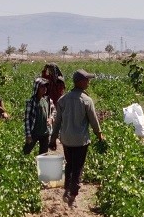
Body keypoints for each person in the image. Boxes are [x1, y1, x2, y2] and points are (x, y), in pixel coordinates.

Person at [53, 69, 105, 206]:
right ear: (80, 82)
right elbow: (94, 121)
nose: (88, 82)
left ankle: (66, 190)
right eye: (86, 80)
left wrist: (53, 138)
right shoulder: (87, 100)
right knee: (78, 167)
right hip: (81, 141)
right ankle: (73, 194)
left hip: (66, 139)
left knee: (69, 164)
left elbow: (57, 121)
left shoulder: (63, 99)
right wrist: (100, 135)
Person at [22, 78, 54, 155]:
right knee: (26, 152)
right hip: (34, 132)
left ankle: (41, 167)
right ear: (37, 88)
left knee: (44, 155)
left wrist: (51, 118)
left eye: (45, 86)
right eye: (42, 87)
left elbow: (54, 111)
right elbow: (26, 120)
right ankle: (21, 165)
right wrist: (28, 135)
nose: (44, 88)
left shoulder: (48, 100)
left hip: (45, 133)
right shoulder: (31, 102)